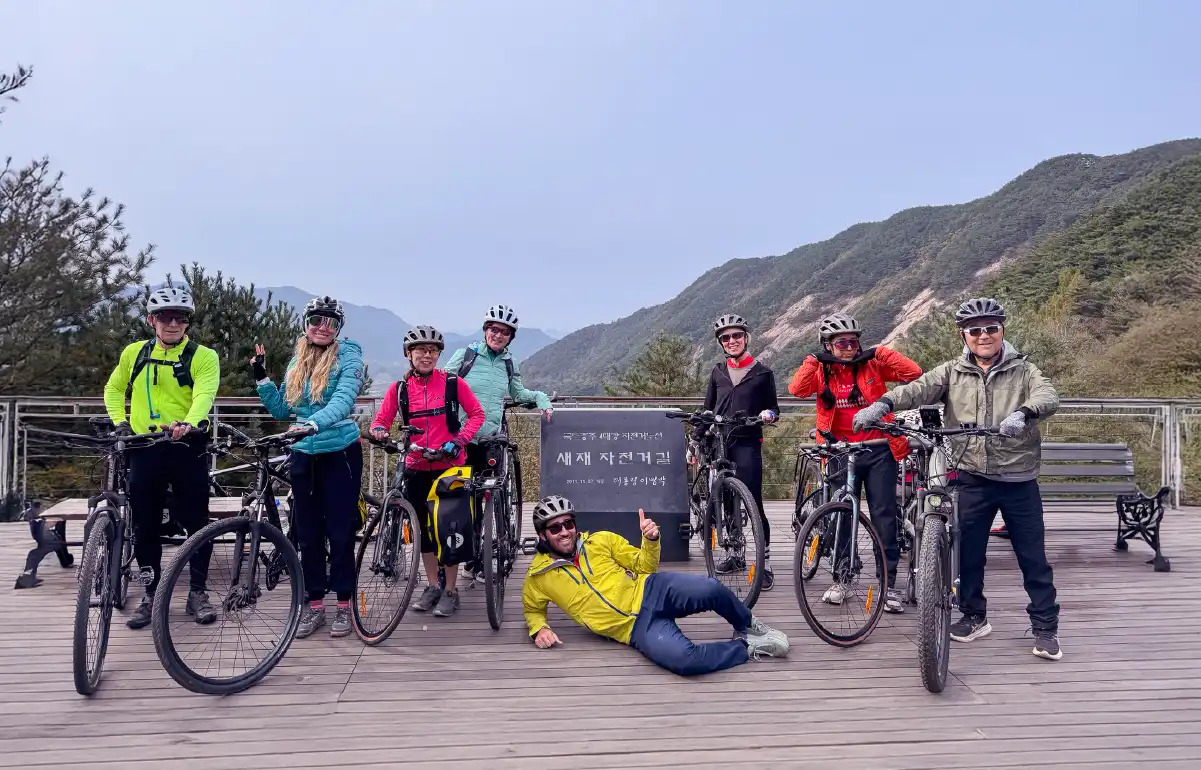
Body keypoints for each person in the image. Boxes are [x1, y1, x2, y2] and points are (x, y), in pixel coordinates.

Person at [852, 297, 1063, 660]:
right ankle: (973, 617)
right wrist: (883, 404)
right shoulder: (951, 371)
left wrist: (1024, 413)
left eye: (990, 329)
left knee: (1032, 557)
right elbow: (916, 389)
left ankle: (1045, 627)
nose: (983, 336)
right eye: (975, 330)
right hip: (971, 474)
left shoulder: (1024, 371)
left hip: (1017, 477)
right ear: (963, 335)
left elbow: (1048, 395)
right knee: (969, 554)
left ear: (1002, 331)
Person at [522, 495, 790, 676]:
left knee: (711, 588)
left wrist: (650, 540)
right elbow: (533, 609)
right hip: (635, 628)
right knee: (686, 662)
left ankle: (748, 624)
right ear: (542, 535)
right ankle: (747, 647)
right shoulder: (538, 576)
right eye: (555, 528)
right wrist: (539, 628)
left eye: (568, 523)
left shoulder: (600, 540)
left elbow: (644, 566)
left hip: (651, 589)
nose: (565, 531)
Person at [788, 312, 922, 613]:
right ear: (829, 346)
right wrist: (814, 359)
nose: (848, 348)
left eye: (853, 342)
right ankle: (844, 578)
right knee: (840, 515)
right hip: (839, 450)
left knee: (884, 516)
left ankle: (887, 585)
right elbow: (796, 390)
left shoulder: (873, 363)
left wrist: (882, 351)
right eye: (840, 344)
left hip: (877, 449)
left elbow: (914, 372)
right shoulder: (823, 370)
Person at [103, 286, 219, 629]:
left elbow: (204, 394)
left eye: (180, 318)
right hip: (145, 447)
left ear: (187, 323)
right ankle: (151, 594)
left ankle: (197, 591)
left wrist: (191, 422)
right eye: (165, 317)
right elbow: (113, 388)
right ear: (152, 320)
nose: (172, 323)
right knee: (145, 524)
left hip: (187, 446)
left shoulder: (203, 355)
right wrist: (120, 423)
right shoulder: (134, 353)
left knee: (197, 522)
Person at [254, 296, 365, 638]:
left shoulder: (349, 355)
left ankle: (344, 605)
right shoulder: (298, 359)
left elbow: (343, 401)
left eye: (330, 322)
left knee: (341, 532)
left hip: (339, 451)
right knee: (308, 532)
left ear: (339, 328)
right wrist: (261, 378)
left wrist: (313, 424)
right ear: (305, 322)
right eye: (316, 319)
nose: (322, 326)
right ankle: (314, 604)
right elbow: (281, 410)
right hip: (303, 453)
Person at [369, 325, 486, 618]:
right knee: (423, 532)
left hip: (450, 467)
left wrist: (459, 441)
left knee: (450, 531)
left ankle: (450, 590)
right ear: (409, 354)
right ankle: (433, 585)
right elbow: (380, 421)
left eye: (433, 351)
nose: (427, 355)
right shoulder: (399, 389)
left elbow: (477, 414)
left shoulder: (452, 383)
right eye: (421, 350)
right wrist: (380, 431)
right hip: (416, 467)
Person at [703, 313, 781, 589]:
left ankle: (765, 562)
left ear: (746, 338)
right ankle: (735, 554)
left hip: (747, 442)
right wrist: (698, 436)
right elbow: (707, 409)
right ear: (721, 343)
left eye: (737, 335)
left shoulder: (762, 373)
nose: (732, 340)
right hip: (721, 444)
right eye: (726, 338)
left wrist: (768, 415)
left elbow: (775, 409)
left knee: (753, 502)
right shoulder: (717, 372)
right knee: (725, 500)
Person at [443, 303, 553, 472]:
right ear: (485, 330)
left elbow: (519, 394)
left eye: (505, 332)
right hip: (461, 438)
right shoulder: (465, 356)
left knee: (490, 491)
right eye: (494, 329)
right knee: (460, 493)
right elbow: (441, 385)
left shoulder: (509, 363)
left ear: (510, 337)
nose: (498, 335)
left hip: (491, 441)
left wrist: (540, 398)